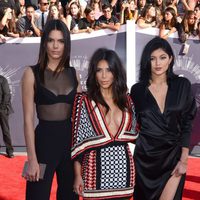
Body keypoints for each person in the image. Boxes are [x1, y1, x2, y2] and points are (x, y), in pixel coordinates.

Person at [130, 36, 197, 200]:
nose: (158, 63)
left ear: (170, 59)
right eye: (152, 59)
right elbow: (131, 123)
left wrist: (184, 159)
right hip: (145, 161)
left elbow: (187, 124)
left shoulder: (183, 86)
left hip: (173, 157)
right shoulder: (137, 90)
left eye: (162, 57)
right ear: (147, 61)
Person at [21, 19, 81, 200]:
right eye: (51, 40)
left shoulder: (73, 74)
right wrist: (32, 158)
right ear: (44, 42)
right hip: (43, 144)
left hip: (70, 145)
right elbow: (27, 119)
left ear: (66, 44)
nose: (55, 46)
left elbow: (80, 119)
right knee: (36, 196)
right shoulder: (31, 73)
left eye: (61, 41)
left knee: (69, 196)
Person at [71, 48, 138, 200]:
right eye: (99, 70)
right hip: (94, 175)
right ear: (94, 74)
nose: (104, 76)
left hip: (124, 174)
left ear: (116, 72)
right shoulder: (84, 102)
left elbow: (139, 136)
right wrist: (77, 175)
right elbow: (77, 146)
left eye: (109, 70)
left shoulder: (127, 101)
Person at [0, 75, 14, 158]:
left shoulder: (2, 79)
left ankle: (10, 151)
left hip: (3, 109)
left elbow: (7, 94)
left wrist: (2, 107)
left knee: (5, 131)